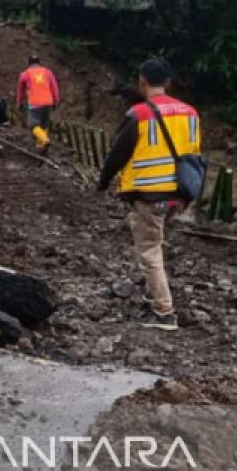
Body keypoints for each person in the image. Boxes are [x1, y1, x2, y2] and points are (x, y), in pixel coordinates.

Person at [97, 58, 202, 331]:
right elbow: (192, 152)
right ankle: (152, 291)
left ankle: (164, 311)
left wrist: (104, 180)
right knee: (156, 240)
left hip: (149, 193)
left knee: (149, 250)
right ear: (168, 83)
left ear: (142, 81)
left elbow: (118, 153)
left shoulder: (139, 114)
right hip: (179, 193)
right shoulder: (190, 112)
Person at [16, 54, 60, 152]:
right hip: (48, 102)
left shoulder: (25, 74)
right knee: (44, 124)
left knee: (33, 125)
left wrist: (19, 103)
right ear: (39, 63)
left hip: (35, 103)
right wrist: (56, 100)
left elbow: (20, 91)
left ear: (29, 63)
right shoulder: (47, 72)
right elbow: (54, 87)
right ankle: (40, 146)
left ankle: (44, 140)